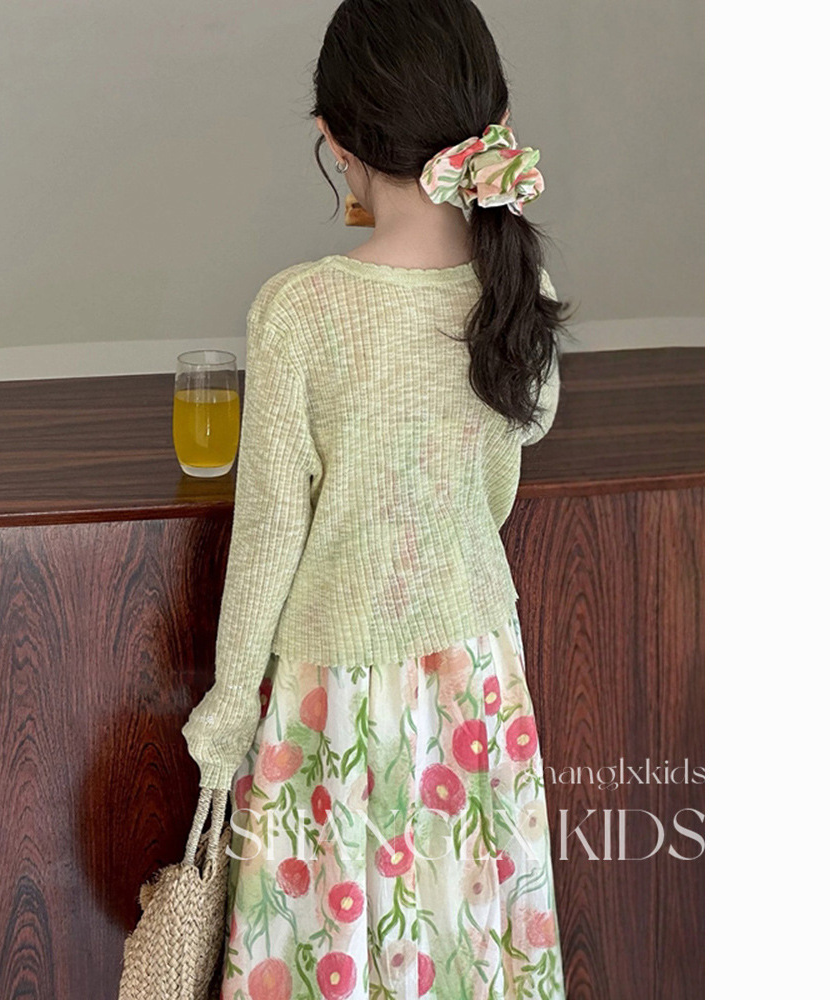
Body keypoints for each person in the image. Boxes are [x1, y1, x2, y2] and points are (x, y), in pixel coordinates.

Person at [181, 2, 575, 997]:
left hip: (336, 700)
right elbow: (515, 450)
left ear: (334, 139)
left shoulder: (301, 310)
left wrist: (226, 715)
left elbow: (271, 535)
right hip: (478, 682)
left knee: (336, 951)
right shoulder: (516, 292)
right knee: (469, 945)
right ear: (490, 127)